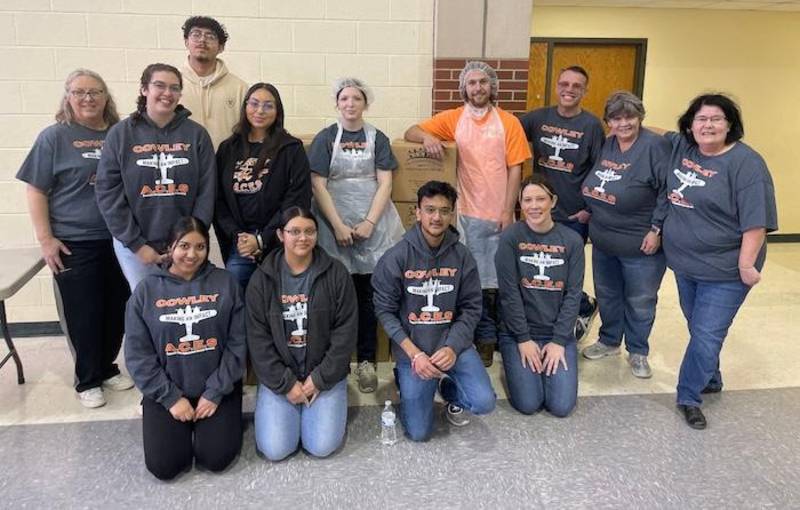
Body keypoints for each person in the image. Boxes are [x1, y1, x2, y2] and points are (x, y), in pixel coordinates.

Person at [16, 69, 132, 409]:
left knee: (116, 308)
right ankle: (87, 379)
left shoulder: (118, 134)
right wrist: (45, 238)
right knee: (83, 313)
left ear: (106, 97)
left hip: (118, 238)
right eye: (79, 92)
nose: (88, 99)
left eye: (95, 92)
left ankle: (108, 367)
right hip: (74, 241)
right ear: (67, 97)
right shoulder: (54, 137)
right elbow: (36, 188)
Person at [661, 94, 777, 429]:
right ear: (690, 124)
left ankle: (688, 397)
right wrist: (625, 128)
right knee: (698, 326)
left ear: (730, 125)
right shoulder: (684, 147)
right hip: (686, 263)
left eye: (716, 119)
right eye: (701, 119)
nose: (707, 125)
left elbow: (756, 222)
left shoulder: (747, 164)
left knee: (707, 334)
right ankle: (710, 377)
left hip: (727, 268)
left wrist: (745, 265)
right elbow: (654, 131)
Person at [404, 61, 531, 368]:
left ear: (492, 87)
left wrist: (507, 209)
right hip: (465, 214)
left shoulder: (508, 122)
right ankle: (479, 337)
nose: (477, 88)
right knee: (471, 280)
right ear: (464, 88)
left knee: (498, 280)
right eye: (472, 83)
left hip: (497, 213)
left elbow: (516, 167)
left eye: (483, 82)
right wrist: (428, 138)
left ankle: (497, 338)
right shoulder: (453, 119)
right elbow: (411, 131)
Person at [373, 181, 496, 442]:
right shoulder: (397, 257)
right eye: (429, 210)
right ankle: (404, 377)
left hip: (453, 347)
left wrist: (452, 346)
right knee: (418, 433)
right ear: (417, 212)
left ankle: (447, 388)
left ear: (452, 214)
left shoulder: (462, 256)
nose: (436, 217)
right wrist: (414, 354)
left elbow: (472, 307)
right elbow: (385, 311)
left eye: (444, 210)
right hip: (414, 351)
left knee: (484, 402)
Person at [125, 216, 246, 480]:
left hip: (216, 389)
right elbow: (137, 354)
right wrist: (170, 398)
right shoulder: (146, 291)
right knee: (165, 466)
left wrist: (215, 391)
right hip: (169, 389)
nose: (192, 254)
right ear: (170, 247)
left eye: (200, 247)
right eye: (184, 246)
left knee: (216, 458)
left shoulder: (226, 284)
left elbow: (238, 345)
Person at [309, 77, 404, 393]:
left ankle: (366, 361)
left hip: (372, 228)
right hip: (332, 224)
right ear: (336, 103)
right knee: (335, 297)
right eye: (344, 98)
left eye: (356, 99)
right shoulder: (325, 138)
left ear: (366, 103)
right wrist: (337, 225)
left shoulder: (378, 138)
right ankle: (334, 363)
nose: (350, 104)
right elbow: (318, 184)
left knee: (367, 298)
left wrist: (369, 223)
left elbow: (385, 183)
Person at [247, 207, 357, 461]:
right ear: (280, 235)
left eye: (309, 231)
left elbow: (345, 334)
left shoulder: (336, 273)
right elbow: (258, 340)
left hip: (323, 373)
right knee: (276, 449)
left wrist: (319, 378)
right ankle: (290, 405)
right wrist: (286, 384)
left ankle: (314, 403)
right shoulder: (261, 279)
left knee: (321, 446)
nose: (302, 238)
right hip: (280, 375)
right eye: (294, 231)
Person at [96, 63, 216, 292]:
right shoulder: (120, 135)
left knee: (184, 301)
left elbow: (207, 190)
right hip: (136, 246)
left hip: (185, 245)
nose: (167, 93)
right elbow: (108, 193)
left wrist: (189, 241)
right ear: (144, 89)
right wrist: (137, 244)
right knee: (148, 304)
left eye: (174, 88)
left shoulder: (196, 135)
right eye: (159, 86)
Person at [580, 92, 671, 379]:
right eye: (616, 118)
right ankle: (609, 341)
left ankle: (638, 350)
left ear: (640, 117)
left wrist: (656, 229)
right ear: (608, 121)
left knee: (640, 300)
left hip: (640, 242)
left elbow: (668, 192)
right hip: (604, 239)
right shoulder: (607, 146)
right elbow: (599, 181)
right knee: (608, 295)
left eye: (629, 117)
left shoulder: (655, 147)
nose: (623, 123)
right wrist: (589, 208)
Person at [519, 65, 604, 342]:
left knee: (566, 272)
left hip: (573, 214)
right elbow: (505, 131)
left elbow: (601, 170)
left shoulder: (591, 126)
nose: (569, 90)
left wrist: (588, 209)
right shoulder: (538, 118)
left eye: (576, 86)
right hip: (539, 212)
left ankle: (583, 306)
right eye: (564, 84)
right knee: (541, 270)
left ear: (584, 91)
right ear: (556, 86)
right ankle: (548, 318)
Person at [496, 174, 584, 417]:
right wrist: (523, 339)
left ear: (553, 201)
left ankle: (547, 361)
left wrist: (558, 341)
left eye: (540, 199)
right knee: (529, 404)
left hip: (558, 333)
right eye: (527, 200)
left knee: (561, 407)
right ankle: (516, 361)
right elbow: (509, 294)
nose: (534, 206)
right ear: (521, 205)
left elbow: (573, 294)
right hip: (518, 333)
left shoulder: (572, 241)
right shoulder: (510, 238)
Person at [215, 82, 312, 289]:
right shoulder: (227, 149)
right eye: (254, 103)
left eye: (268, 105)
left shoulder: (291, 149)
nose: (260, 110)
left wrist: (262, 239)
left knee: (280, 299)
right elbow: (218, 200)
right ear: (245, 107)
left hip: (279, 240)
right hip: (240, 243)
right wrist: (240, 238)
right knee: (235, 293)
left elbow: (297, 199)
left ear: (277, 112)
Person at [180, 16, 248, 150]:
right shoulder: (172, 85)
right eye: (196, 34)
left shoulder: (239, 87)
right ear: (186, 42)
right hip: (183, 165)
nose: (202, 40)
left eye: (210, 36)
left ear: (221, 47)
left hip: (226, 164)